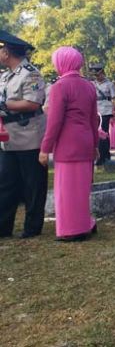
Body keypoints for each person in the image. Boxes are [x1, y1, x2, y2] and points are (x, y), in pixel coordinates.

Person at [39, 47, 99, 241]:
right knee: (81, 189)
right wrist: (95, 145)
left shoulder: (60, 86)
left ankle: (71, 230)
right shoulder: (89, 86)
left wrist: (45, 148)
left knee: (66, 190)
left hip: (67, 143)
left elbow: (54, 122)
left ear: (61, 63)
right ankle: (85, 224)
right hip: (86, 140)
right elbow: (93, 120)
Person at [0, 30, 48, 239]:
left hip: (29, 135)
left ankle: (32, 228)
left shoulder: (31, 74)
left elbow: (33, 103)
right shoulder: (5, 75)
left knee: (33, 185)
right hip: (8, 138)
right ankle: (3, 227)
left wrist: (5, 104)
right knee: (6, 183)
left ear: (7, 52)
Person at [91, 63, 115, 165]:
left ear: (102, 73)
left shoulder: (109, 84)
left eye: (98, 74)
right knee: (96, 133)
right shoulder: (92, 84)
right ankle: (101, 155)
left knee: (104, 133)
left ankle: (105, 155)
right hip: (95, 110)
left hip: (106, 110)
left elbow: (114, 98)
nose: (97, 77)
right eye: (95, 75)